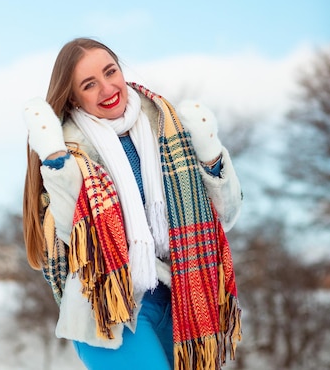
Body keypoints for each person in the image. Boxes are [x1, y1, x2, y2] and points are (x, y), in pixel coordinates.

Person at [22, 37, 242, 370]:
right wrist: (55, 160)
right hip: (110, 310)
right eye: (89, 84)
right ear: (73, 97)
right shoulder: (72, 151)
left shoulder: (167, 130)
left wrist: (211, 158)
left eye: (110, 72)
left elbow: (225, 215)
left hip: (181, 299)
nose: (107, 88)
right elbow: (74, 235)